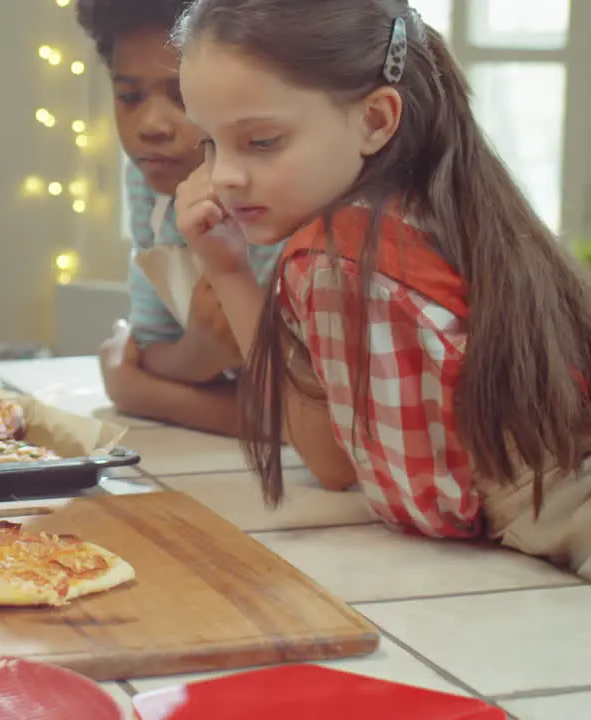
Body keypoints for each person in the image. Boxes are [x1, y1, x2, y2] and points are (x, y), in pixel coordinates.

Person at [173, 0, 591, 579]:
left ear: (375, 121)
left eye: (262, 141)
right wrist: (229, 269)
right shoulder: (440, 202)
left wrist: (229, 275)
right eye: (210, 144)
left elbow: (415, 501)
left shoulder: (337, 262)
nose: (223, 176)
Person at [75, 0, 284, 437]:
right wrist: (201, 355)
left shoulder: (278, 199)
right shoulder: (146, 179)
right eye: (129, 96)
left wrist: (136, 391)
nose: (151, 125)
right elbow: (151, 347)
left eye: (182, 96)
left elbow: (299, 419)